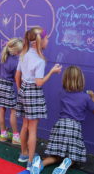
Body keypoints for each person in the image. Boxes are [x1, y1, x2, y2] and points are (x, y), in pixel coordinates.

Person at [30, 66, 94, 174]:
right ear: (81, 80)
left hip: (60, 125)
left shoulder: (62, 93)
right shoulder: (85, 97)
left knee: (56, 156)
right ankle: (65, 164)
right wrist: (93, 97)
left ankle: (40, 164)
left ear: (65, 79)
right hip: (74, 127)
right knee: (74, 156)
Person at [15, 27, 62, 170]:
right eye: (46, 38)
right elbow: (39, 82)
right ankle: (30, 160)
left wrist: (21, 91)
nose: (48, 40)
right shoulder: (40, 61)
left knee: (25, 125)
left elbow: (17, 75)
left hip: (24, 90)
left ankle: (23, 154)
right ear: (39, 42)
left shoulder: (23, 54)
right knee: (33, 129)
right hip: (33, 93)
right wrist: (52, 72)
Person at [0, 38, 23, 145]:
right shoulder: (16, 61)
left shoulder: (1, 55)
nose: (20, 53)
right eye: (19, 51)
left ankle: (3, 134)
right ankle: (15, 136)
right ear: (15, 51)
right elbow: (16, 77)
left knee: (2, 109)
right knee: (13, 111)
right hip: (8, 86)